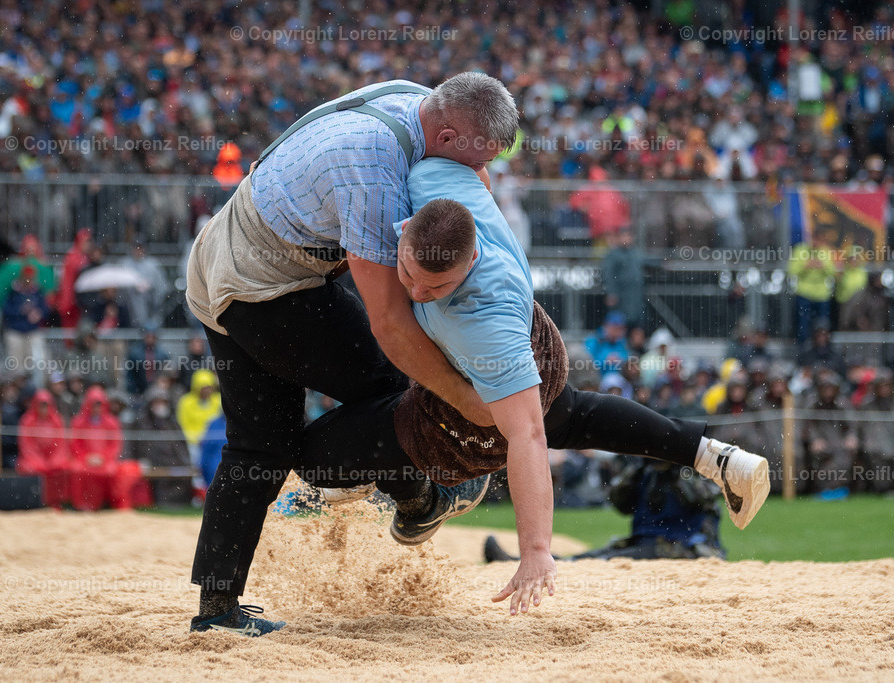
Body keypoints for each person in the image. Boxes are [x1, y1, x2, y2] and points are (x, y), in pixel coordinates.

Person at [301, 159, 769, 617]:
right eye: (409, 275)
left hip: (479, 405)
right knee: (575, 416)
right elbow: (474, 168)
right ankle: (718, 458)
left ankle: (433, 497)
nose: (418, 293)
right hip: (533, 344)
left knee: (316, 458)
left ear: (471, 261)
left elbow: (527, 435)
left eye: (436, 287)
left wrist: (536, 551)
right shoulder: (437, 183)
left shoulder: (484, 322)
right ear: (407, 229)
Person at [185, 73, 520, 638]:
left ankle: (217, 609)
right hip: (268, 285)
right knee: (398, 381)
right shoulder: (373, 171)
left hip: (217, 261)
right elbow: (390, 324)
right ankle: (418, 498)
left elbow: (470, 184)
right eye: (478, 160)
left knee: (258, 446)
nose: (479, 173)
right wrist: (464, 399)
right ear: (446, 135)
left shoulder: (412, 98)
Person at [484, 458, 724, 563]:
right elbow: (619, 503)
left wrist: (675, 471)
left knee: (604, 561)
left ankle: (531, 564)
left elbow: (705, 498)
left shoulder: (690, 472)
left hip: (685, 548)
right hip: (646, 544)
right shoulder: (646, 472)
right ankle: (521, 562)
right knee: (592, 557)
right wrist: (638, 469)